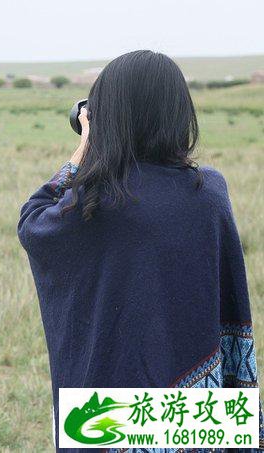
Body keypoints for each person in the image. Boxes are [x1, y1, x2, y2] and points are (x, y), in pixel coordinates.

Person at [17, 50, 262, 452]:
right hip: (199, 407)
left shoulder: (98, 200)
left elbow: (34, 222)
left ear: (108, 117)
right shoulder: (210, 191)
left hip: (111, 411)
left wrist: (83, 151)